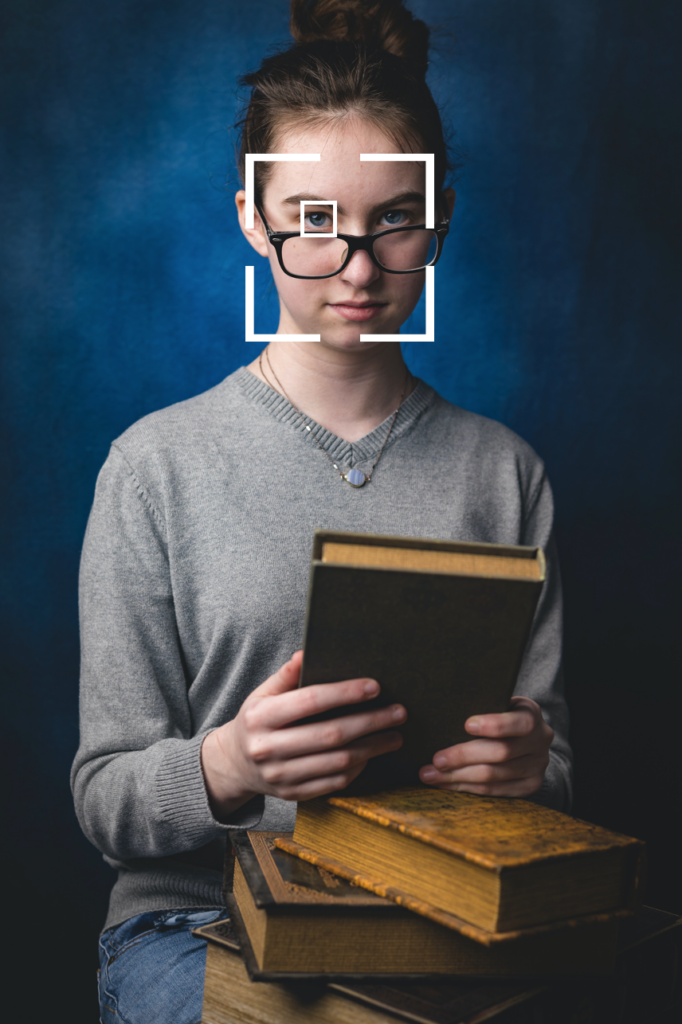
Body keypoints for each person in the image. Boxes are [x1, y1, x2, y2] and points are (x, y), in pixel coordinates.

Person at [72, 2, 572, 1021]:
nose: (355, 266)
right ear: (253, 216)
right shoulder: (152, 466)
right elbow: (105, 795)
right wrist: (229, 763)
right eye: (311, 223)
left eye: (392, 218)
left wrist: (528, 764)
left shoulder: (504, 474)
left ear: (437, 219)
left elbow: (553, 763)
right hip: (193, 923)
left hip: (433, 914)